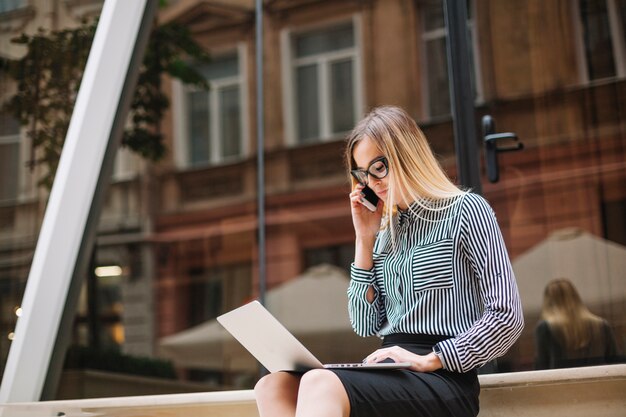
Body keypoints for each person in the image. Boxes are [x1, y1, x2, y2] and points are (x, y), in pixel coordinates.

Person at [254, 105, 524, 417]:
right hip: (390, 370)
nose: (373, 182)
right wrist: (364, 239)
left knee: (320, 383)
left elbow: (506, 317)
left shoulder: (466, 210)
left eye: (379, 167)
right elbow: (364, 323)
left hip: (443, 377)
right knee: (272, 386)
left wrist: (432, 358)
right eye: (363, 174)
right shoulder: (384, 234)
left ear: (406, 155)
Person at [535, 278, 619, 370]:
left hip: (562, 383)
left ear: (548, 302)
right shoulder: (602, 325)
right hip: (598, 382)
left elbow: (541, 369)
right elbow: (616, 363)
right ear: (576, 297)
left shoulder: (545, 328)